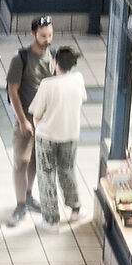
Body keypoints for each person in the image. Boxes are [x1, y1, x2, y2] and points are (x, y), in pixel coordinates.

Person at [4, 16, 59, 228]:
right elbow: (13, 92)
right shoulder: (20, 59)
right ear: (33, 34)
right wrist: (22, 121)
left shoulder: (52, 56)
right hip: (26, 120)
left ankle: (28, 195)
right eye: (43, 36)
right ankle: (19, 205)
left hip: (44, 121)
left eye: (50, 35)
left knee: (35, 161)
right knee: (21, 161)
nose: (47, 40)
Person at [27, 44, 89, 227]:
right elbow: (82, 99)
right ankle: (75, 208)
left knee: (46, 175)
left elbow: (36, 113)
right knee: (67, 171)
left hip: (47, 136)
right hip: (70, 134)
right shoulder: (78, 79)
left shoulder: (48, 85)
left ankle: (51, 219)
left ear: (55, 63)